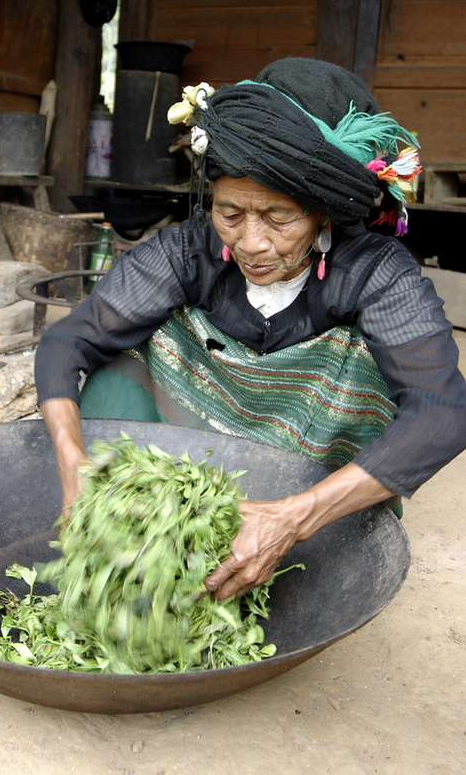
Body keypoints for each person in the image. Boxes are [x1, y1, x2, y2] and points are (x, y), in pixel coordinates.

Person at [35, 58, 466, 602]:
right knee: (115, 358)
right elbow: (68, 341)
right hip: (190, 453)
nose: (251, 242)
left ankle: (290, 523)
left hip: (311, 474)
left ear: (324, 214)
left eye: (279, 217)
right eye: (230, 212)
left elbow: (443, 412)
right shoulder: (188, 251)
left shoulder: (377, 273)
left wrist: (293, 518)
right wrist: (73, 465)